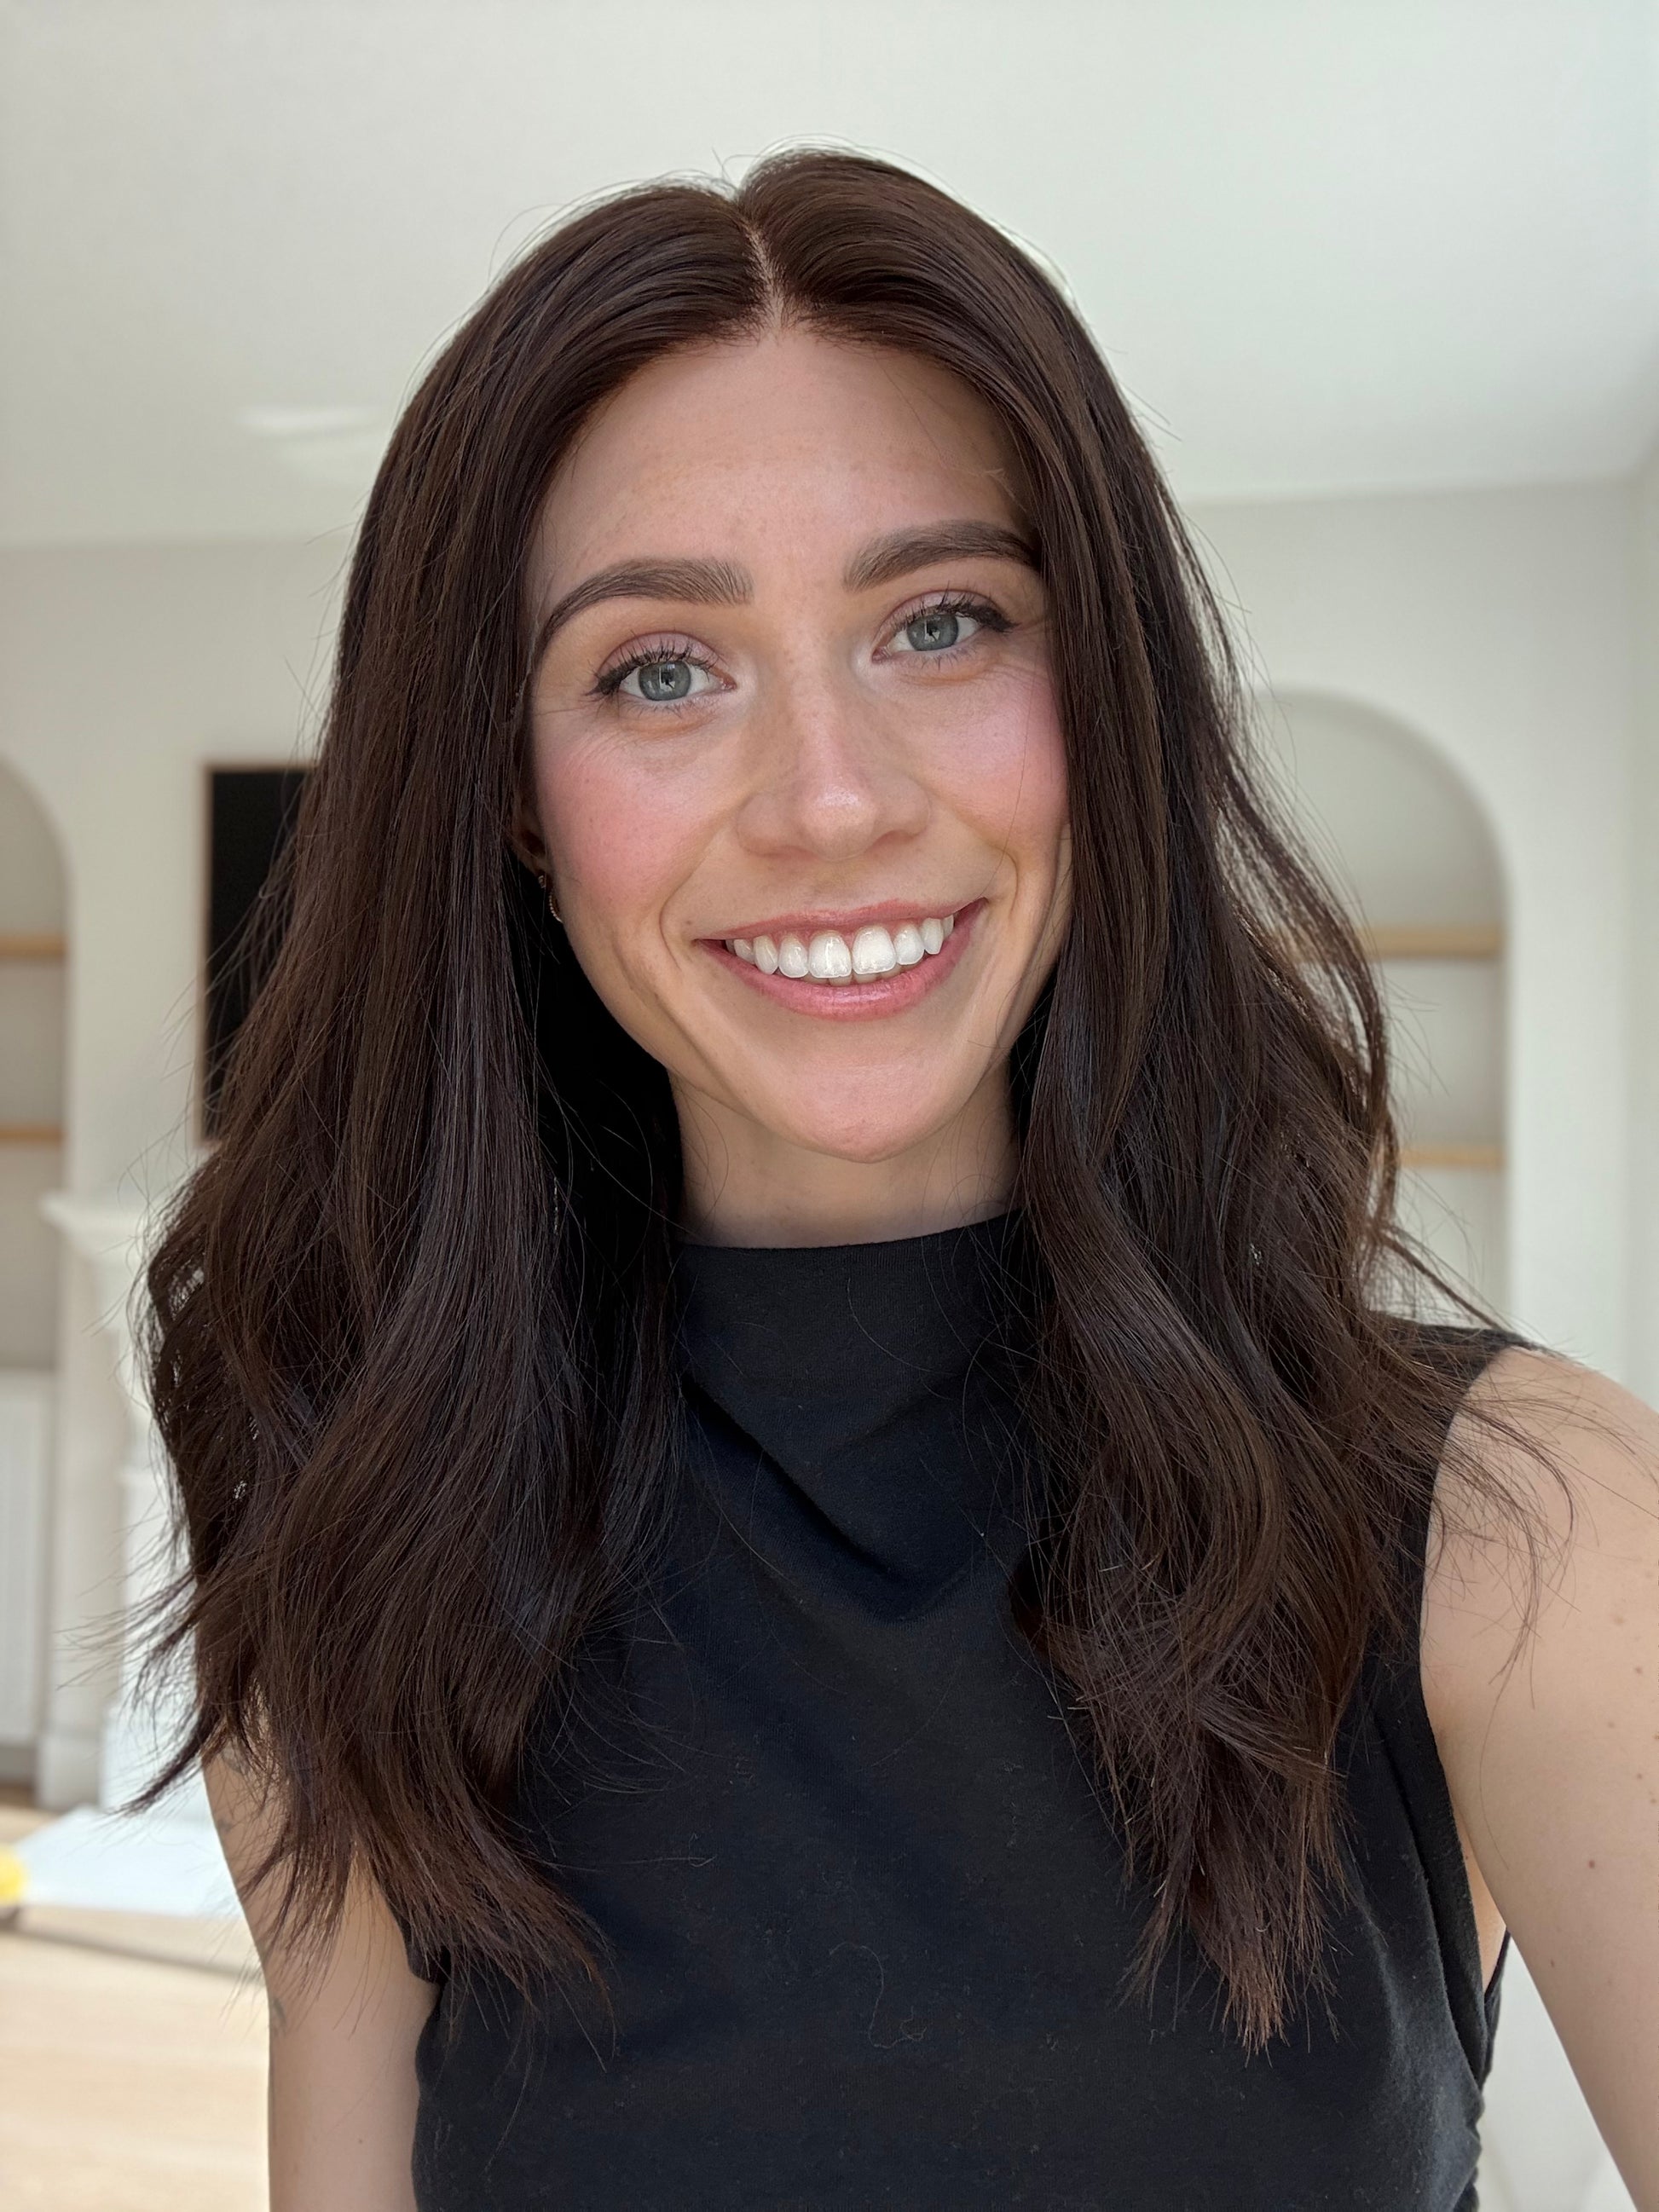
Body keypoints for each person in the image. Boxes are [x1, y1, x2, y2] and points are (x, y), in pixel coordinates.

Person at [140, 149, 1658, 2210]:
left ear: (1102, 693)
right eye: (659, 666)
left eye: (940, 622)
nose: (831, 801)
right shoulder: (375, 1554)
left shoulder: (1522, 1528)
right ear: (511, 791)